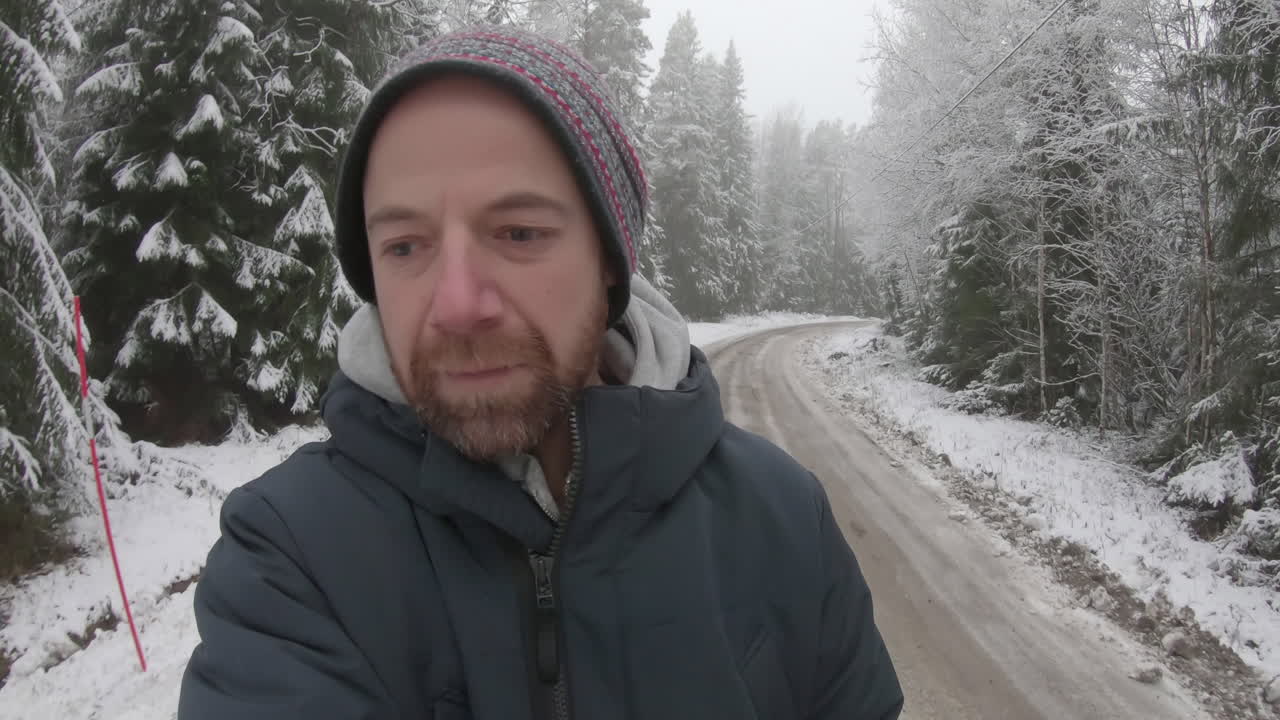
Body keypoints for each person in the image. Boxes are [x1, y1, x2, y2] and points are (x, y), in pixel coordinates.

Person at [177, 27, 903, 720]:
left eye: (519, 233)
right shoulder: (290, 556)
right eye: (404, 246)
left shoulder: (783, 524)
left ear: (611, 261)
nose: (456, 306)